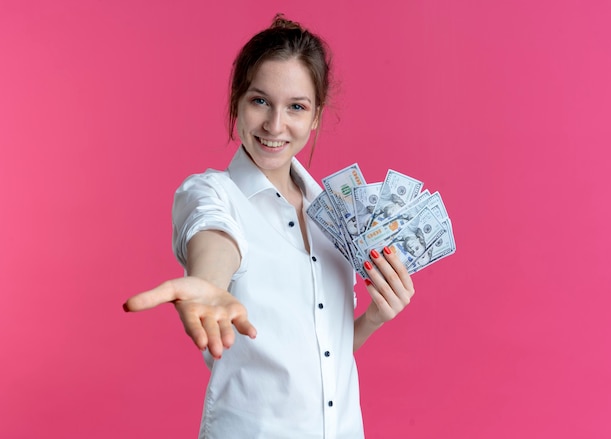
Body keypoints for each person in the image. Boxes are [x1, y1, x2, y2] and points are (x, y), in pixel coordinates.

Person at [123, 14, 415, 439]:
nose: (275, 126)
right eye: (260, 101)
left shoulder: (334, 215)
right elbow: (214, 233)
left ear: (315, 117)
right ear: (237, 102)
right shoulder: (212, 193)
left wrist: (372, 319)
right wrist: (209, 282)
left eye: (296, 107)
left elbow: (323, 357)